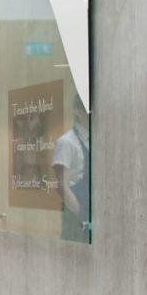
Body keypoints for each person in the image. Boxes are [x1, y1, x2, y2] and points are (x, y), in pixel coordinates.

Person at [52, 95, 90, 243]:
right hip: (75, 217)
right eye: (89, 110)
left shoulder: (94, 140)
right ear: (78, 112)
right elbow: (62, 186)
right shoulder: (67, 142)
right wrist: (81, 214)